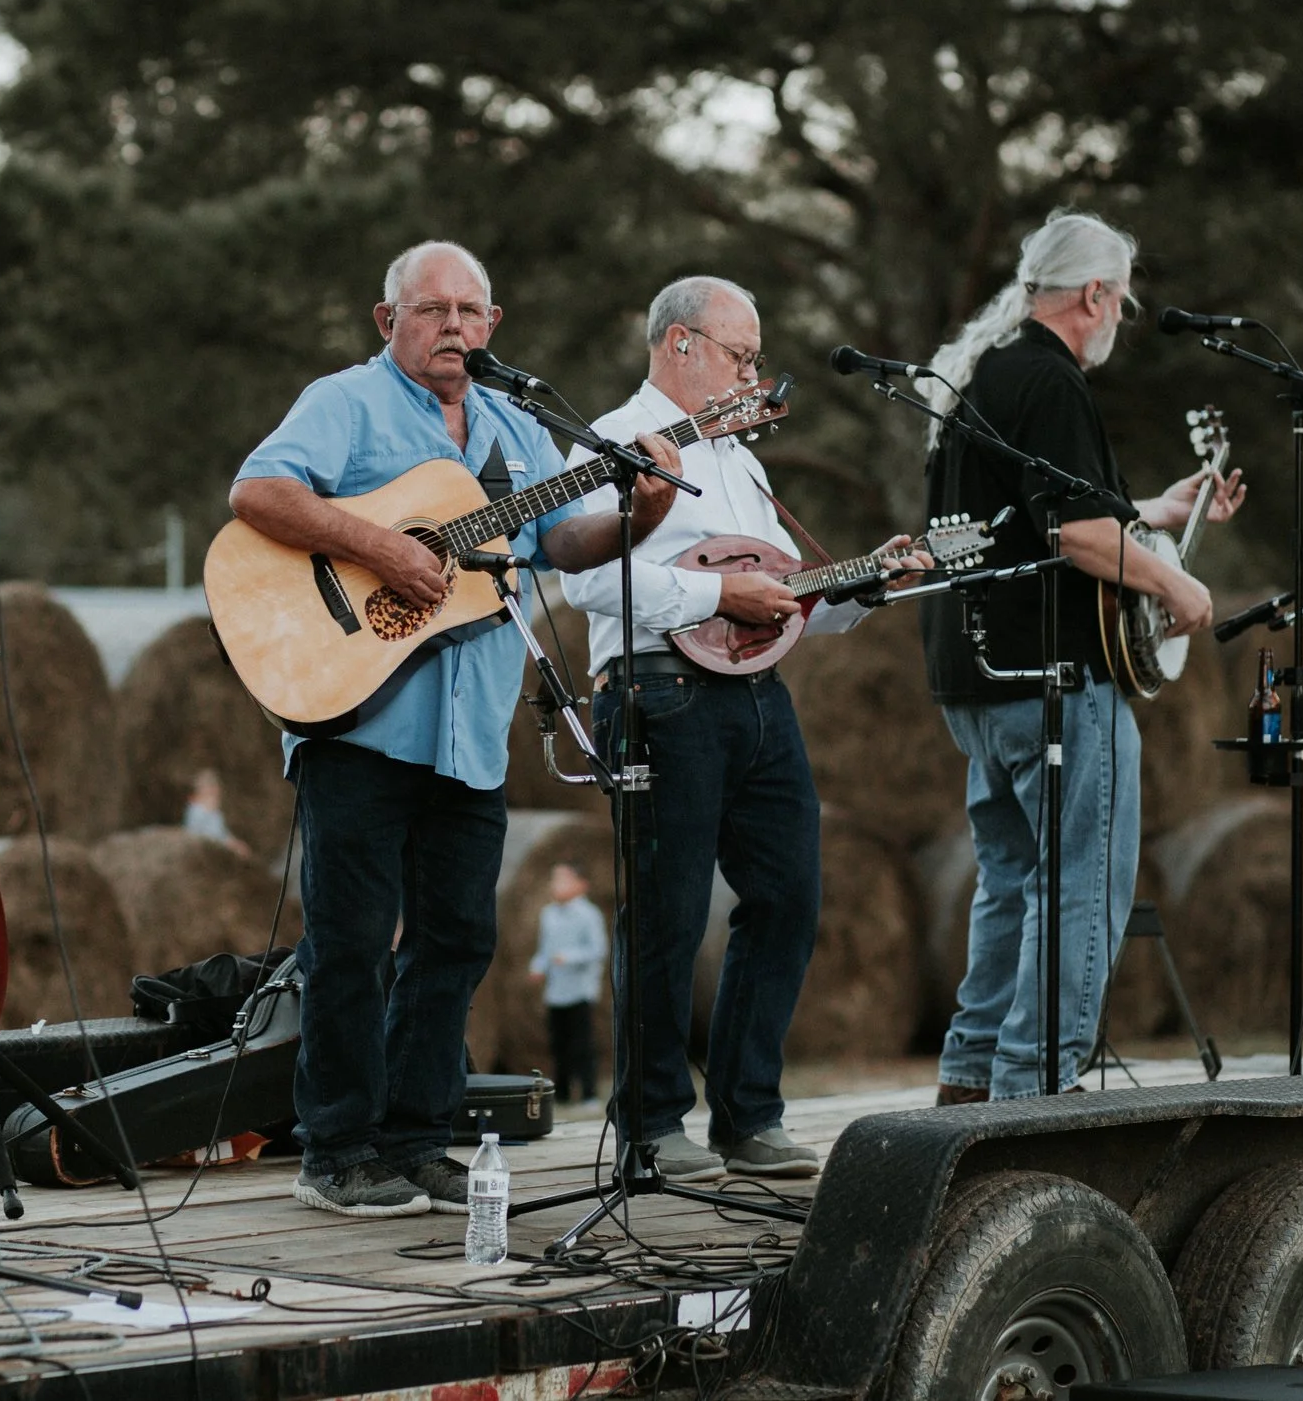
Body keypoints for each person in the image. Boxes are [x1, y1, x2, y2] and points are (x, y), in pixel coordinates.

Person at [229, 241, 682, 1218]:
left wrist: (639, 513)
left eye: (468, 311)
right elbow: (257, 492)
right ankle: (337, 1145)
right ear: (386, 319)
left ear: (493, 324)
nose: (451, 326)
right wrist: (379, 544)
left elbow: (564, 542)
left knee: (456, 938)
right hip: (359, 720)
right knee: (348, 939)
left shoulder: (517, 421)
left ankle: (417, 1134)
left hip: (472, 731)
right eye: (429, 309)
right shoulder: (345, 400)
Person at [559, 277, 926, 1181]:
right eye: (742, 355)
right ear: (681, 344)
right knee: (668, 915)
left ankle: (748, 1115)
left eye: (755, 358)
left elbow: (789, 600)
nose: (755, 375)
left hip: (760, 698)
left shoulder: (744, 463)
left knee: (790, 898)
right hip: (658, 695)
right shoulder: (609, 439)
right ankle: (647, 1127)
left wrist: (867, 585)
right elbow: (584, 584)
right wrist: (720, 591)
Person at [917, 211, 1246, 1103]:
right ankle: (1037, 1085)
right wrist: (1179, 590)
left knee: (1010, 877)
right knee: (1082, 882)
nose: (1120, 318)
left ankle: (972, 1072)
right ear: (1095, 294)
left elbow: (1034, 516)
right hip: (1054, 680)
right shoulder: (1052, 382)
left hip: (977, 676)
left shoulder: (983, 373)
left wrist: (1160, 515)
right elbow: (1075, 534)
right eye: (1122, 301)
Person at [527, 863, 607, 1104]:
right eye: (554, 879)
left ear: (581, 885)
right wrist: (537, 967)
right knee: (558, 1044)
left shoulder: (589, 914)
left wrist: (569, 957)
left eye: (563, 880)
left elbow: (598, 949)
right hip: (555, 990)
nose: (555, 885)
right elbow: (544, 949)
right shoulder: (548, 914)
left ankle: (589, 1093)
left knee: (582, 1043)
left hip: (580, 989)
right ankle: (561, 1093)